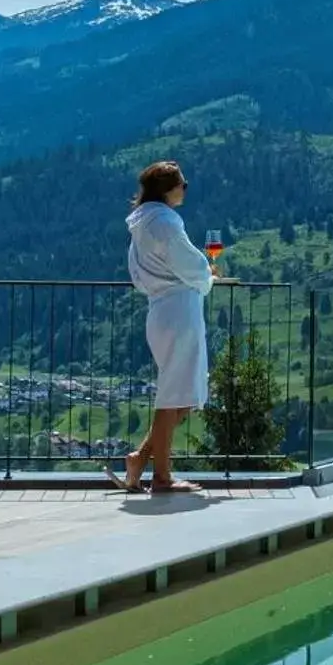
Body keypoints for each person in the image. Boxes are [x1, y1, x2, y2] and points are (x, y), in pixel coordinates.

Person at [109, 161, 223, 495]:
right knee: (174, 395)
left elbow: (140, 273)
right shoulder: (166, 223)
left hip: (160, 310)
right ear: (168, 188)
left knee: (180, 395)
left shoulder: (142, 225)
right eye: (182, 184)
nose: (185, 189)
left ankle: (140, 458)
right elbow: (191, 265)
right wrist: (207, 277)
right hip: (179, 312)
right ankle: (161, 476)